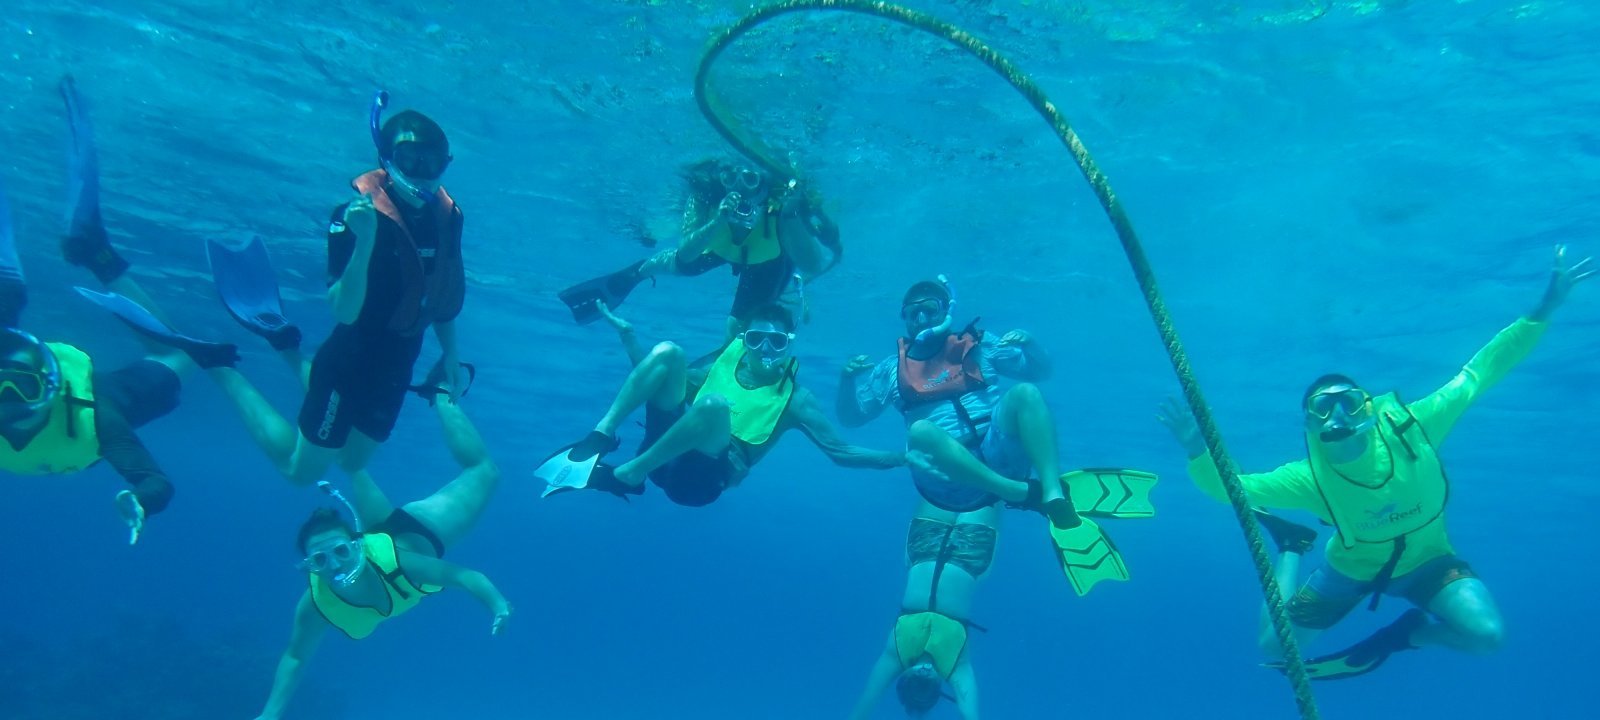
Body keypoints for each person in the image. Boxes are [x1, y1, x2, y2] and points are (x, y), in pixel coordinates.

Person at [1155, 244, 1594, 680]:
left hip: (1430, 563)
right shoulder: (1307, 479)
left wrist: (1543, 309)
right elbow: (1228, 489)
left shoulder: (1414, 429)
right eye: (1323, 409)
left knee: (1487, 637)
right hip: (1349, 570)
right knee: (1274, 645)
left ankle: (1411, 634)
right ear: (1310, 424)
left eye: (1349, 403)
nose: (1339, 416)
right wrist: (1198, 450)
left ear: (1369, 408)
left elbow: (1479, 373)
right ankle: (1291, 546)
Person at [192, 91, 467, 487]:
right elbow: (344, 311)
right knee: (302, 473)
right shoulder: (353, 217)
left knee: (352, 463)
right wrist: (366, 242)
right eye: (411, 160)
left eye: (433, 162)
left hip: (399, 359)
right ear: (387, 159)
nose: (423, 172)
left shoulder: (447, 219)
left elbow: (442, 297)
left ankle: (287, 347)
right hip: (350, 356)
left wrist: (451, 357)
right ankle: (221, 369)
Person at [0, 76, 229, 544]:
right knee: (181, 355)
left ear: (44, 387)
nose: (5, 399)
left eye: (17, 386)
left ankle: (69, 259)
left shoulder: (98, 419)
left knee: (182, 355)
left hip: (98, 395)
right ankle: (91, 253)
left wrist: (140, 499)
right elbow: (156, 485)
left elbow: (154, 482)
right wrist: (143, 498)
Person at [837, 276, 1155, 595]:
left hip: (998, 455)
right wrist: (847, 381)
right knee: (920, 432)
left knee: (1025, 393)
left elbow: (1039, 373)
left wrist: (1030, 344)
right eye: (911, 314)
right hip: (946, 481)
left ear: (947, 309)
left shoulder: (981, 344)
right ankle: (1017, 492)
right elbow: (851, 418)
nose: (921, 320)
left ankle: (1051, 491)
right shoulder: (892, 369)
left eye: (929, 310)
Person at [253, 387, 509, 720]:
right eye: (319, 560)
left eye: (341, 551)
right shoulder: (315, 606)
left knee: (485, 472)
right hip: (374, 542)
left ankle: (441, 394)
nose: (334, 565)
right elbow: (296, 657)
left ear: (355, 543)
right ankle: (327, 389)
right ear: (309, 568)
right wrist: (270, 714)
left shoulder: (402, 563)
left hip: (416, 532)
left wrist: (497, 604)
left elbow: (464, 576)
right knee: (352, 464)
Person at [536, 301, 919, 507]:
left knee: (714, 406)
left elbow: (842, 452)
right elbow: (654, 385)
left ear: (790, 345)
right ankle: (601, 435)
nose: (765, 350)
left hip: (697, 484)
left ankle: (625, 475)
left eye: (777, 342)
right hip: (661, 455)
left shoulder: (797, 401)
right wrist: (630, 339)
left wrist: (902, 458)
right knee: (670, 352)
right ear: (745, 339)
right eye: (755, 340)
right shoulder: (718, 367)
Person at [558, 159, 841, 339]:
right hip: (719, 241)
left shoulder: (781, 200)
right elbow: (685, 255)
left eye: (751, 179)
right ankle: (639, 272)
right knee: (686, 267)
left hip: (768, 259)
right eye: (730, 177)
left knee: (737, 328)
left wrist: (789, 214)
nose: (741, 189)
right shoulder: (706, 193)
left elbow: (813, 264)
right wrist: (719, 220)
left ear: (764, 182)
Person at [849, 506, 992, 719]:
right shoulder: (957, 668)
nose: (923, 676)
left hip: (923, 548)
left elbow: (866, 702)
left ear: (902, 679)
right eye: (926, 688)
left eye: (913, 685)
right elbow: (969, 713)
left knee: (939, 479)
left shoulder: (894, 656)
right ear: (939, 689)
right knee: (987, 491)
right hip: (970, 555)